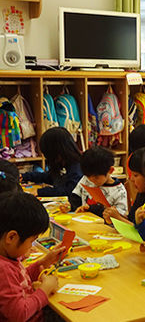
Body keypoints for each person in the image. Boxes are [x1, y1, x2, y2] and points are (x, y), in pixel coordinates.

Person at [0, 192, 65, 321]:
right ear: (11, 237)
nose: (32, 246)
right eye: (31, 241)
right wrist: (45, 289)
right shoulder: (3, 269)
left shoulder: (8, 256)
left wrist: (44, 262)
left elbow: (19, 280)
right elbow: (19, 314)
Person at [107, 145, 145, 226]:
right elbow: (132, 220)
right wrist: (115, 217)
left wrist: (119, 218)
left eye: (136, 175)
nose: (132, 179)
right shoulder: (143, 193)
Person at [70, 146, 128, 224]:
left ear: (110, 170)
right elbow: (75, 197)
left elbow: (119, 218)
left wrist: (92, 209)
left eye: (96, 177)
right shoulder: (86, 179)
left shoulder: (119, 191)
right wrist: (70, 207)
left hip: (105, 229)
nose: (91, 180)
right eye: (88, 176)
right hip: (83, 223)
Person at [21, 127, 82, 198]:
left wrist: (41, 192)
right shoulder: (64, 164)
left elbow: (69, 190)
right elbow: (51, 177)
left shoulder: (77, 167)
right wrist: (25, 176)